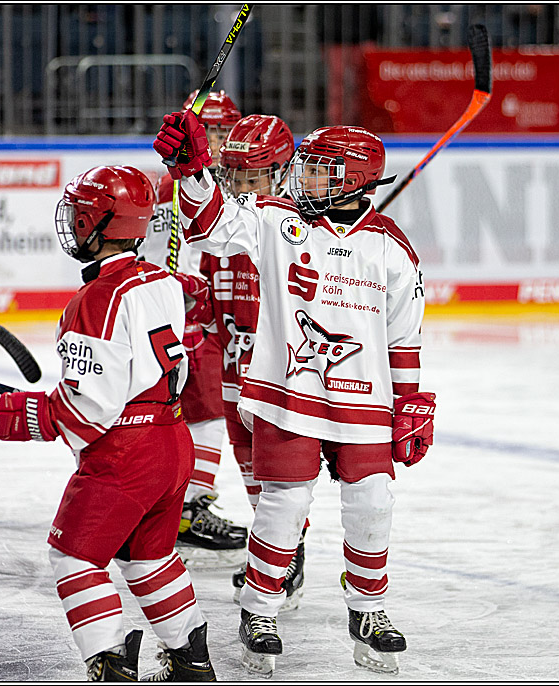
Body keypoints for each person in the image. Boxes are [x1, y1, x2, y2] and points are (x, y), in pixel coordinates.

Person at [154, 115, 437, 676]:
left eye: (321, 170)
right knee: (282, 505)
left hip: (365, 402)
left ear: (355, 179)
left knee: (372, 502)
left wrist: (412, 402)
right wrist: (189, 172)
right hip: (290, 394)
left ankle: (369, 610)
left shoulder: (391, 248)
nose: (304, 178)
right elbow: (211, 224)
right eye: (305, 167)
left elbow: (405, 335)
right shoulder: (277, 222)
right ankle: (260, 610)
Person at [0, 165, 217, 681]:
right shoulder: (163, 282)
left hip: (126, 454)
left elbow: (89, 408)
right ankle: (191, 660)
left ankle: (110, 663)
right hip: (173, 443)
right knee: (149, 558)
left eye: (79, 215)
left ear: (96, 222)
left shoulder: (96, 300)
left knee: (74, 558)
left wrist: (18, 415)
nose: (73, 226)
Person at [197, 113, 309, 611]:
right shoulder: (227, 226)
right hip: (231, 365)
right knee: (251, 476)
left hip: (281, 376)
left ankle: (288, 552)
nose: (243, 187)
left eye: (254, 176)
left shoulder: (294, 230)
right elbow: (205, 287)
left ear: (282, 173)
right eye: (235, 176)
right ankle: (278, 550)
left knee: (280, 475)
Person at [139, 91, 248, 567]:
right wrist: (177, 289)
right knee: (203, 413)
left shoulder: (218, 182)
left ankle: (183, 505)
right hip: (188, 316)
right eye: (217, 130)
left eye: (228, 129)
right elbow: (161, 250)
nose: (224, 139)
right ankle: (188, 509)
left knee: (207, 411)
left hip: (209, 312)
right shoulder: (178, 185)